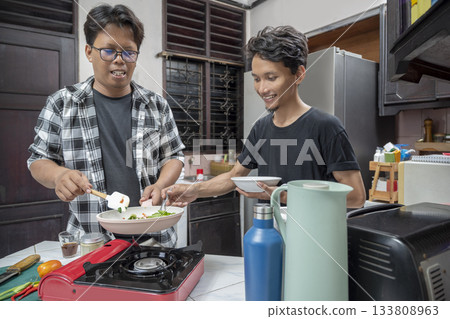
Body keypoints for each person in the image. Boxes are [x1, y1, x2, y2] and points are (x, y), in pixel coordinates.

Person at [27, 4, 184, 247]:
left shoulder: (156, 105)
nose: (120, 61)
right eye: (109, 51)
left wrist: (161, 185)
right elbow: (38, 160)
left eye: (128, 52)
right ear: (89, 52)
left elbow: (174, 156)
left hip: (155, 240)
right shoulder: (62, 103)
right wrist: (60, 175)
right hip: (91, 242)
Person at [163, 25, 365, 208]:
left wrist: (281, 196)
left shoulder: (326, 126)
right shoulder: (261, 129)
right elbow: (234, 176)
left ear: (299, 74)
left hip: (314, 240)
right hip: (271, 233)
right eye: (257, 79)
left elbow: (356, 197)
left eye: (271, 78)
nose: (262, 88)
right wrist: (193, 190)